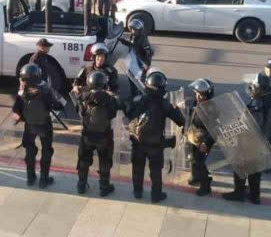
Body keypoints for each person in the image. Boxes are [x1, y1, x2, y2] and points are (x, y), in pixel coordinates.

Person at [124, 70, 185, 203]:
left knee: (137, 169)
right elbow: (181, 121)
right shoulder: (164, 104)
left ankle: (137, 191)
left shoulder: (138, 100)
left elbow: (127, 112)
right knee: (156, 171)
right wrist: (176, 108)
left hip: (138, 142)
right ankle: (156, 195)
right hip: (155, 145)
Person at [223, 73, 271, 204]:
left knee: (240, 167)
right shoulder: (269, 101)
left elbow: (248, 124)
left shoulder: (257, 105)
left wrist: (230, 128)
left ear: (259, 89)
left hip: (249, 142)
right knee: (255, 171)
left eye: (254, 86)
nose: (251, 88)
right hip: (260, 142)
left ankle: (239, 193)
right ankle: (254, 196)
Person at [12, 63, 66, 188]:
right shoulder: (46, 90)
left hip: (29, 126)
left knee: (30, 150)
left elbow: (16, 111)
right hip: (44, 125)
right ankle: (44, 179)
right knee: (46, 151)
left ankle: (30, 178)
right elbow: (60, 104)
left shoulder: (22, 92)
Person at [76, 70, 121, 196]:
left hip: (87, 135)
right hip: (104, 136)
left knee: (83, 160)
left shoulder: (83, 97)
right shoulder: (110, 99)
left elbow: (78, 111)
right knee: (105, 161)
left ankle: (81, 185)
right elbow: (114, 112)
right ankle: (104, 186)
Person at [186, 78, 216, 196]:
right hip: (195, 136)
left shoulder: (211, 108)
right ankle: (196, 177)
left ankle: (205, 185)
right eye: (197, 94)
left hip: (204, 139)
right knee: (194, 158)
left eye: (201, 95)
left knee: (199, 161)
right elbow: (191, 116)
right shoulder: (196, 104)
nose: (198, 97)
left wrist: (206, 143)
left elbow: (214, 130)